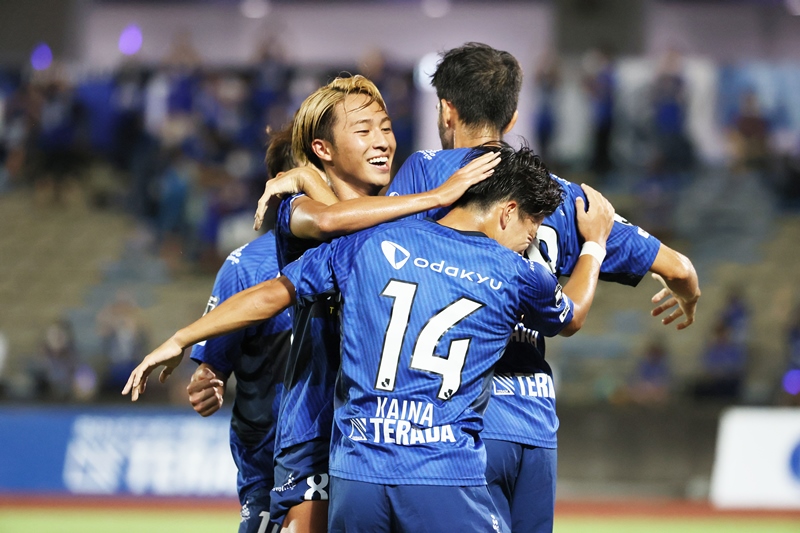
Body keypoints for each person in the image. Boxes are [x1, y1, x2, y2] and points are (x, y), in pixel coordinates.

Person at [256, 42, 700, 533]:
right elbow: (679, 267)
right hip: (536, 424)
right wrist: (685, 292)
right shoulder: (563, 196)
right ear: (512, 117)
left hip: (462, 424)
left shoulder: (426, 173)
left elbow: (360, 240)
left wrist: (309, 183)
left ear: (446, 110)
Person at [123, 141, 616, 532]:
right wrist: (594, 244)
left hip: (356, 477)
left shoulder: (372, 241)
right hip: (443, 474)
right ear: (507, 212)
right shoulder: (515, 272)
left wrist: (182, 337)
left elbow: (274, 293)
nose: (527, 245)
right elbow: (571, 313)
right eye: (530, 231)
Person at [269, 75, 500, 533]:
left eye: (386, 128)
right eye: (364, 131)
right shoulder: (297, 208)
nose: (382, 142)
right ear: (322, 149)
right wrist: (437, 195)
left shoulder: (410, 217)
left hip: (395, 440)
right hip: (316, 427)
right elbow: (333, 222)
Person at [185, 127, 295, 533]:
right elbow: (212, 368)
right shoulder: (246, 266)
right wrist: (206, 380)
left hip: (348, 461)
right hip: (269, 467)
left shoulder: (364, 250)